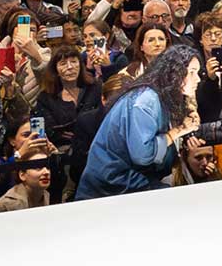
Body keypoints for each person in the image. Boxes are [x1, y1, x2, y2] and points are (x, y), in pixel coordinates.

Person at [76, 44, 203, 199]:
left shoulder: (161, 96)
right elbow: (143, 155)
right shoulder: (146, 100)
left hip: (131, 179)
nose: (197, 78)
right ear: (174, 73)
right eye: (192, 72)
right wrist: (180, 130)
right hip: (112, 184)